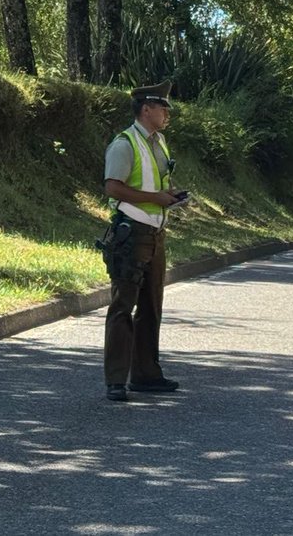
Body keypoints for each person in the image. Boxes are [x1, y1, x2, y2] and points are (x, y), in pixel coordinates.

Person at [100, 80, 184, 402]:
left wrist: (171, 195)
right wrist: (155, 198)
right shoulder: (124, 144)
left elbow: (159, 181)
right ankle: (116, 380)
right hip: (131, 232)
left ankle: (147, 375)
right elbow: (112, 187)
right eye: (162, 108)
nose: (166, 113)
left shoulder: (159, 142)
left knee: (151, 307)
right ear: (145, 109)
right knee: (123, 305)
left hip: (155, 232)